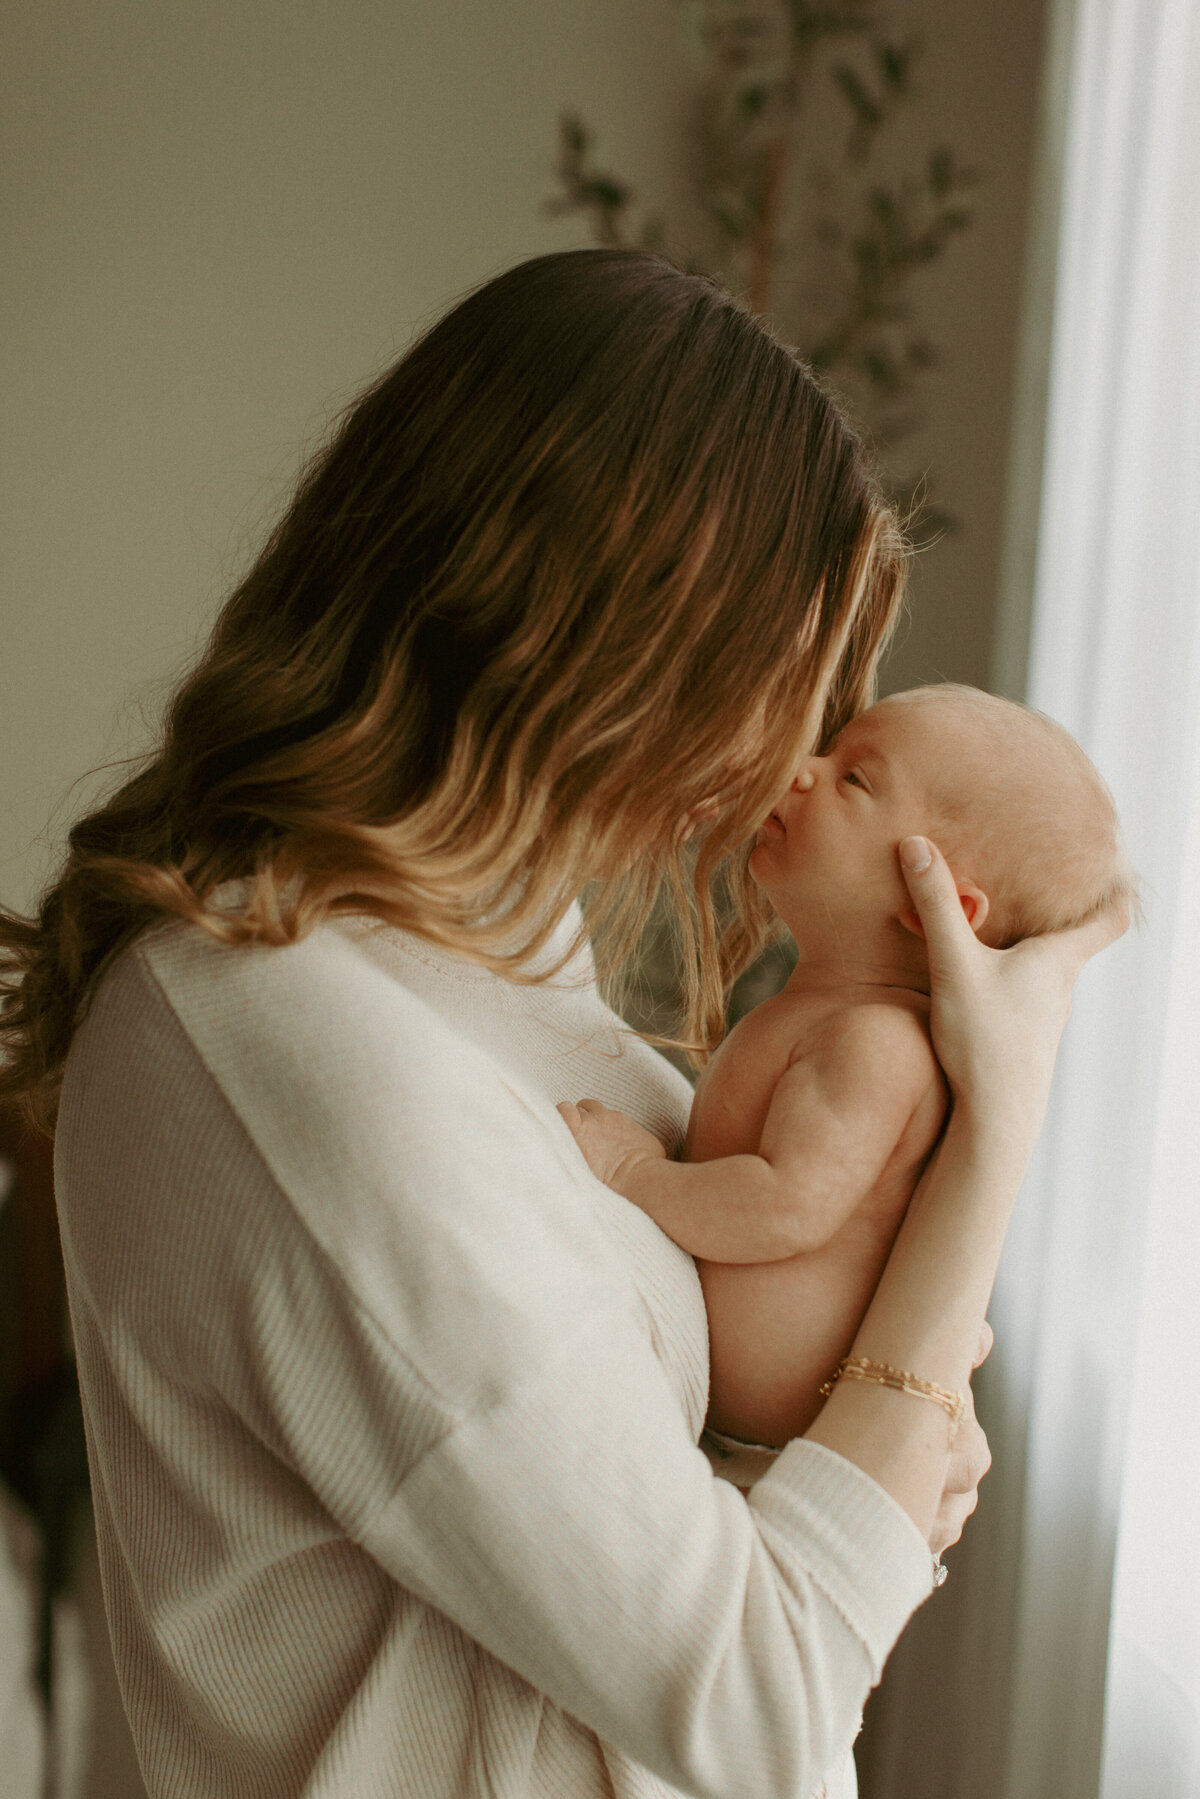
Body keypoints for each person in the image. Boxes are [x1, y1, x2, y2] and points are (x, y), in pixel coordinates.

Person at [0, 250, 1124, 1799]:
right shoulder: (288, 1038)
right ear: (599, 636)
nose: (779, 748)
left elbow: (654, 1459)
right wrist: (990, 1150)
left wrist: (880, 1413)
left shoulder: (505, 939)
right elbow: (765, 1695)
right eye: (770, 678)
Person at [559, 685, 1135, 1475]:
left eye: (855, 779)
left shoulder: (878, 1043)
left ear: (936, 905)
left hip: (781, 1440)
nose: (800, 768)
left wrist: (636, 1173)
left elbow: (783, 1203)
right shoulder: (826, 1010)